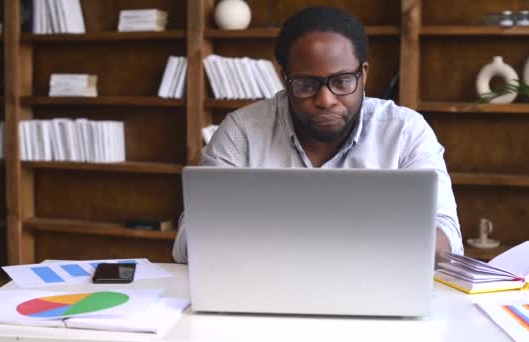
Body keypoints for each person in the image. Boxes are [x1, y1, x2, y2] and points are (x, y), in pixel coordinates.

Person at [173, 6, 463, 263]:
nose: (325, 99)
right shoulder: (242, 131)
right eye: (305, 84)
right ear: (284, 77)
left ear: (363, 74)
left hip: (373, 291)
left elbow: (446, 237)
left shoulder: (404, 131)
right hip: (266, 293)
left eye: (341, 81)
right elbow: (189, 240)